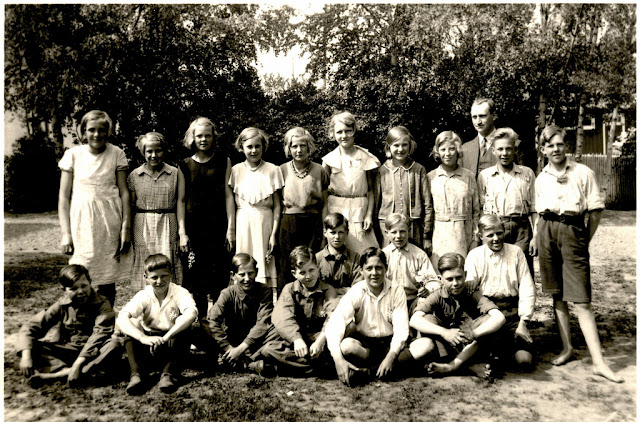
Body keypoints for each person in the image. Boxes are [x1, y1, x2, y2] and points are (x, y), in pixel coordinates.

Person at [535, 125, 622, 383]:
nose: (556, 149)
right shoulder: (541, 178)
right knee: (557, 294)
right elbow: (539, 212)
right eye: (550, 146)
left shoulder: (583, 172)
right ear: (543, 150)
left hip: (574, 230)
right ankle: (567, 348)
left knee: (582, 300)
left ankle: (599, 362)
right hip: (546, 231)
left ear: (567, 146)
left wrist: (584, 239)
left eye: (560, 144)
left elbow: (595, 210)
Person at [58, 110, 130, 307]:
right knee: (79, 276)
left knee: (107, 279)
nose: (97, 135)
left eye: (102, 130)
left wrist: (126, 227)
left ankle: (105, 323)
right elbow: (64, 198)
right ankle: (80, 323)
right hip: (82, 224)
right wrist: (66, 234)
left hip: (109, 223)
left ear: (108, 131)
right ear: (83, 131)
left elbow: (124, 193)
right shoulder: (73, 155)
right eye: (91, 130)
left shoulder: (116, 153)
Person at [408, 253, 505, 377]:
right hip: (446, 345)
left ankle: (451, 367)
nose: (455, 283)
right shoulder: (437, 296)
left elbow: (499, 317)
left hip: (468, 345)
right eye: (449, 279)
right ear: (440, 279)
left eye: (459, 277)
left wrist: (474, 333)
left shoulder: (471, 293)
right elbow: (414, 320)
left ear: (465, 275)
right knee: (427, 319)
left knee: (488, 321)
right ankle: (466, 366)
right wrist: (444, 332)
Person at [17, 265, 115, 386]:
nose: (80, 292)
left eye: (84, 286)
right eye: (73, 289)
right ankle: (75, 372)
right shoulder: (62, 304)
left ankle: (60, 374)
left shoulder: (103, 303)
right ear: (64, 289)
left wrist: (78, 364)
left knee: (115, 345)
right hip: (68, 351)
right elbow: (31, 327)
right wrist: (26, 357)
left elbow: (100, 334)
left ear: (90, 283)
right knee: (30, 347)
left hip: (94, 352)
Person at [326, 247, 409, 385]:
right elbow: (336, 323)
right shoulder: (357, 291)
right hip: (366, 347)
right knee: (346, 346)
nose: (374, 273)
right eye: (369, 268)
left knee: (425, 346)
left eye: (379, 268)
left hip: (390, 344)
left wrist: (391, 356)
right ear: (361, 271)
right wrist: (338, 360)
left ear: (386, 269)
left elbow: (401, 329)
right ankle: (384, 369)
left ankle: (371, 370)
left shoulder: (396, 290)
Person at [117, 254, 198, 395]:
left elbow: (191, 313)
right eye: (154, 277)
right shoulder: (144, 295)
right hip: (148, 343)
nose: (159, 281)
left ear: (171, 275)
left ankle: (168, 374)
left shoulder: (180, 292)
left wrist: (166, 337)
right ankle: (136, 375)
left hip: (171, 342)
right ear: (145, 277)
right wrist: (143, 338)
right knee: (132, 324)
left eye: (164, 276)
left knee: (185, 327)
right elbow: (122, 317)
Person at [179, 117, 235, 320]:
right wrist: (182, 232)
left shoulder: (224, 160)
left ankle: (219, 325)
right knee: (197, 283)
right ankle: (200, 327)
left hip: (218, 228)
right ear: (192, 138)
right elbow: (182, 200)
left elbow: (229, 196)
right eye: (199, 135)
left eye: (207, 135)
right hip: (195, 230)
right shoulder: (184, 165)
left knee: (219, 281)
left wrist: (231, 229)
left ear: (213, 137)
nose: (203, 139)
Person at [465, 215, 536, 371]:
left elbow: (527, 286)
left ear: (504, 232)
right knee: (487, 348)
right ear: (480, 236)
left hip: (511, 310)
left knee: (524, 361)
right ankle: (494, 352)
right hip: (487, 311)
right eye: (490, 235)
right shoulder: (474, 255)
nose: (496, 238)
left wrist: (524, 322)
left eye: (499, 233)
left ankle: (503, 352)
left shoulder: (516, 252)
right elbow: (471, 290)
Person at [257, 246, 338, 375]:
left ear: (318, 269)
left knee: (336, 349)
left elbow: (333, 317)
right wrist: (296, 339)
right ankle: (318, 368)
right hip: (297, 339)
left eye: (311, 270)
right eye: (302, 272)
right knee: (269, 349)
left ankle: (281, 369)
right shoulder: (289, 289)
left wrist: (321, 340)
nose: (308, 276)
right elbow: (282, 316)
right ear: (294, 274)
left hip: (319, 339)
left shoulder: (328, 290)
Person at [129, 132, 188, 289]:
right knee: (145, 261)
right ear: (143, 152)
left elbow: (181, 202)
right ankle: (145, 307)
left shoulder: (175, 173)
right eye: (149, 151)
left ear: (164, 151)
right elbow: (131, 206)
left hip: (168, 222)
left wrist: (182, 233)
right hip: (142, 224)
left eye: (158, 150)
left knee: (169, 261)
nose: (154, 155)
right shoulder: (134, 175)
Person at [230, 127, 284, 295]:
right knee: (243, 260)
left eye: (257, 146)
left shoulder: (273, 170)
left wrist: (274, 234)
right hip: (243, 220)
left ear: (263, 146)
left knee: (265, 260)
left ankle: (266, 300)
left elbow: (277, 205)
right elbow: (231, 202)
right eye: (249, 147)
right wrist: (231, 229)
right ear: (242, 148)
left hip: (265, 221)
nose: (253, 150)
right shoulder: (235, 170)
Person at [478, 128, 538, 277]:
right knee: (496, 270)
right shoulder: (485, 176)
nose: (504, 153)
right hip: (495, 228)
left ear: (514, 149)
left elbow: (534, 208)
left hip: (521, 229)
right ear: (493, 151)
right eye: (500, 149)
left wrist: (535, 236)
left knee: (521, 271)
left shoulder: (527, 173)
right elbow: (480, 209)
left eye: (508, 149)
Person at [203, 253, 274, 372]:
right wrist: (228, 348)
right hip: (232, 339)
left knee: (275, 328)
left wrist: (240, 349)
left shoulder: (264, 291)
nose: (247, 279)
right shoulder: (227, 293)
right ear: (233, 275)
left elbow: (263, 323)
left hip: (256, 340)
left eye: (250, 273)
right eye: (242, 274)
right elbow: (213, 320)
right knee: (202, 324)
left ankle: (243, 362)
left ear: (256, 272)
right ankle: (246, 362)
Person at [278, 127, 329, 290]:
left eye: (302, 146)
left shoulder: (319, 170)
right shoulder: (282, 170)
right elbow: (277, 203)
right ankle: (285, 304)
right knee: (288, 265)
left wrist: (325, 229)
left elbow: (325, 204)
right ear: (288, 148)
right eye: (294, 146)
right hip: (289, 222)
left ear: (309, 147)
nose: (298, 150)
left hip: (312, 223)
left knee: (311, 263)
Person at [322, 111, 380, 254]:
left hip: (359, 210)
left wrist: (368, 215)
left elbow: (371, 190)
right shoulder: (328, 160)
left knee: (363, 251)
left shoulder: (366, 157)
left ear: (354, 130)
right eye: (339, 132)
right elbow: (323, 192)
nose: (344, 136)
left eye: (348, 131)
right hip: (336, 209)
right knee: (338, 250)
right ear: (333, 134)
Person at [427, 131, 480, 270]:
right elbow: (427, 210)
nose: (448, 153)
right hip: (440, 233)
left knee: (464, 270)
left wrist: (476, 237)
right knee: (442, 271)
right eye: (443, 149)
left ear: (458, 150)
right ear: (437, 152)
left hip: (464, 232)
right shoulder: (431, 177)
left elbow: (476, 210)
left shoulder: (468, 176)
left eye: (451, 149)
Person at [376, 126, 433, 252]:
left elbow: (428, 205)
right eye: (396, 145)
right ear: (388, 147)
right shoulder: (381, 171)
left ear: (410, 146)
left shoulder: (419, 170)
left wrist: (427, 235)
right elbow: (376, 204)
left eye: (404, 145)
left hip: (414, 229)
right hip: (387, 231)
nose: (400, 149)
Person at [382, 213, 440, 311]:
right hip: (390, 301)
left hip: (413, 300)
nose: (398, 236)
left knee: (424, 302)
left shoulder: (419, 255)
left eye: (402, 231)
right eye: (394, 232)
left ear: (409, 231)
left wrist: (428, 289)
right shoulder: (383, 255)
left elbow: (433, 280)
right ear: (387, 233)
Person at [316, 213, 362, 297]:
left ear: (347, 232)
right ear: (325, 233)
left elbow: (358, 287)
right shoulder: (317, 259)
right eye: (333, 233)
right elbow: (315, 288)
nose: (337, 237)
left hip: (348, 302)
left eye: (341, 232)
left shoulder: (355, 257)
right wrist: (342, 290)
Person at [460, 97, 499, 179]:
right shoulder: (464, 148)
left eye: (482, 116)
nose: (478, 122)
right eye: (474, 117)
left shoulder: (511, 144)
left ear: (494, 116)